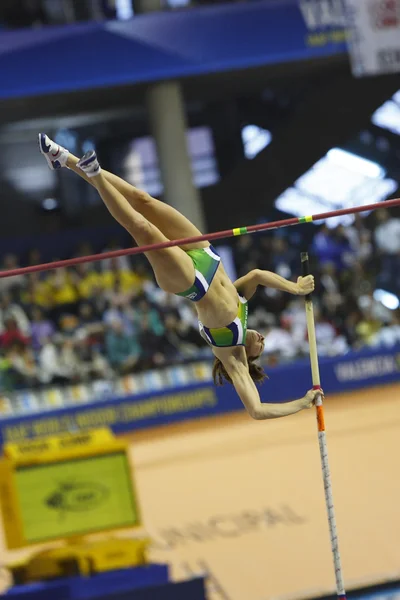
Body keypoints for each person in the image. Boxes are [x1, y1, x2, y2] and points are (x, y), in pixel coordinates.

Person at [39, 133, 319, 420]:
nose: (262, 338)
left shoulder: (232, 355)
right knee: (142, 199)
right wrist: (294, 287)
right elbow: (258, 275)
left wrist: (303, 402)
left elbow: (258, 410)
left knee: (142, 228)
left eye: (261, 345)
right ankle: (63, 159)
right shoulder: (243, 304)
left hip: (190, 281)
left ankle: (96, 177)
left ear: (252, 355)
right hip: (205, 255)